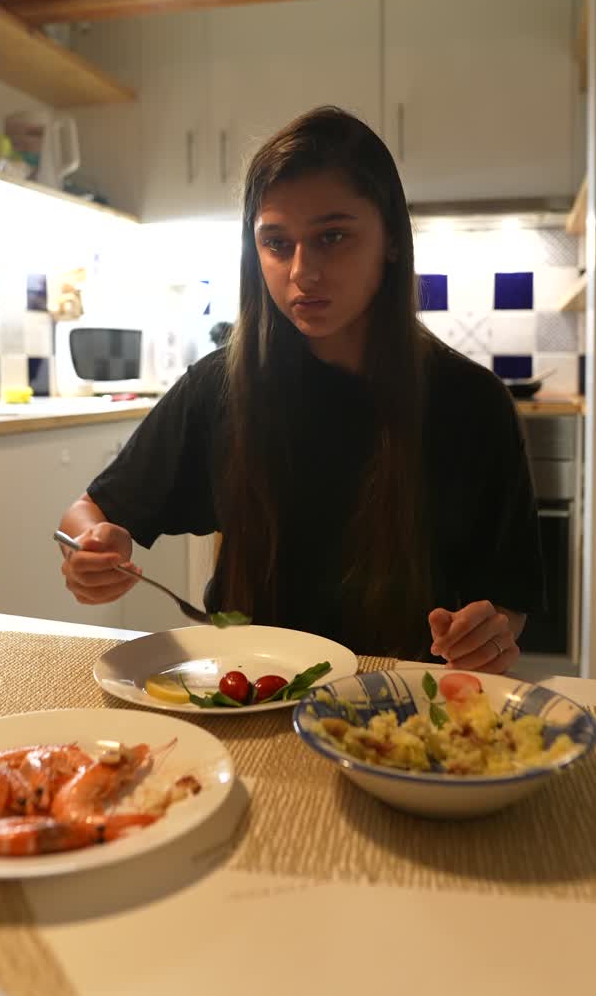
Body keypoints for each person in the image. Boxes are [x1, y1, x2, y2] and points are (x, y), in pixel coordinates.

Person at [59, 107, 543, 669]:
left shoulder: (470, 402)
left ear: (389, 237)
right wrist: (90, 548)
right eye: (276, 242)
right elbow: (88, 509)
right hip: (247, 690)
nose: (300, 272)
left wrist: (488, 632)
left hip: (401, 701)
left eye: (332, 236)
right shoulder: (221, 387)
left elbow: (510, 599)